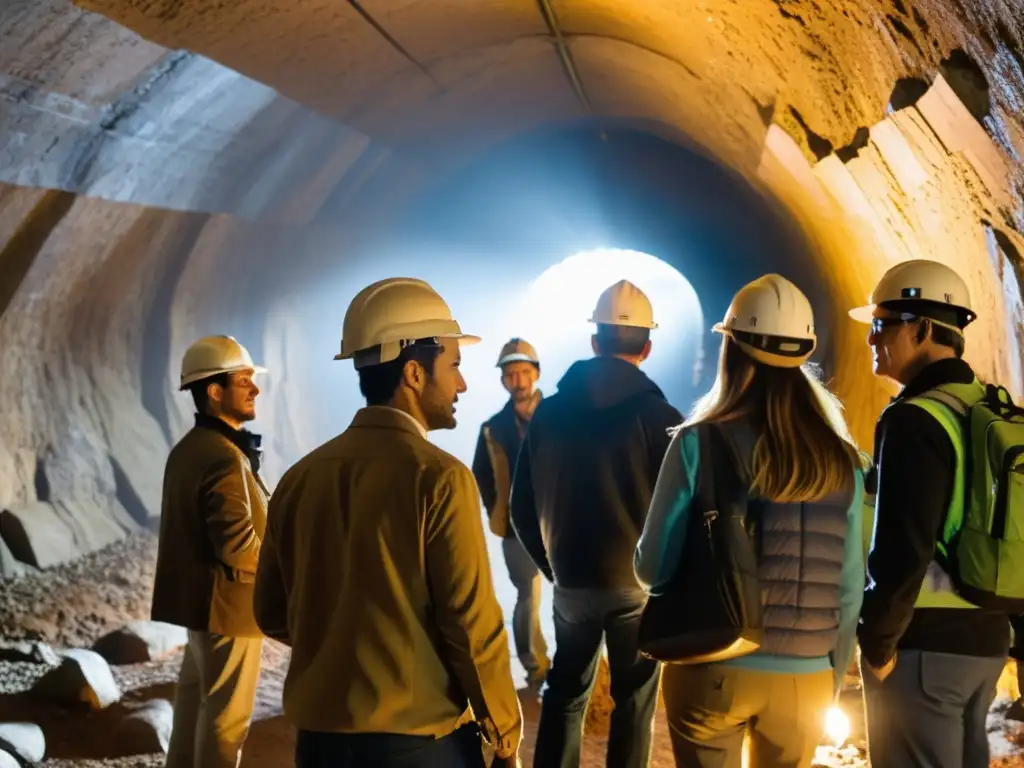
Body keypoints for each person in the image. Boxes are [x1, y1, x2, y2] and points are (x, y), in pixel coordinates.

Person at [253, 277, 523, 768]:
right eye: (455, 366)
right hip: (415, 747)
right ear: (415, 374)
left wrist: (344, 644)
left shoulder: (298, 478)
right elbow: (470, 624)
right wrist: (503, 733)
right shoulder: (439, 478)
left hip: (319, 747)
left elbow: (271, 610)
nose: (462, 384)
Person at [634, 274, 867, 768]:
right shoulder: (844, 461)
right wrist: (830, 674)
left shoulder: (699, 442)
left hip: (712, 664)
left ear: (731, 349)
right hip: (806, 679)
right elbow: (849, 587)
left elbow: (652, 569)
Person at [510, 279, 683, 768]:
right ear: (647, 347)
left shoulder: (549, 414)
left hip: (571, 582)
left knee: (565, 692)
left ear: (593, 342)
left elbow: (521, 505)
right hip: (637, 585)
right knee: (635, 699)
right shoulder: (660, 417)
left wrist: (553, 567)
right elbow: (679, 507)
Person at [849, 259, 1010, 768]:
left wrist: (876, 643)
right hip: (988, 639)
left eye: (881, 325)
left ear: (920, 329)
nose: (873, 339)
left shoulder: (914, 418)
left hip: (924, 646)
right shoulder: (990, 409)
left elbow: (902, 547)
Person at [153, 335, 269, 768]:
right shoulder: (224, 457)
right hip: (231, 611)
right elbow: (238, 548)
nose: (255, 389)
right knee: (227, 723)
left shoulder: (189, 450)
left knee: (193, 711)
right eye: (244, 381)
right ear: (215, 392)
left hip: (200, 610)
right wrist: (287, 568)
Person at [472, 338, 551, 690]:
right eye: (511, 374)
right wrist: (499, 511)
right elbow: (482, 475)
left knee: (573, 598)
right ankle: (537, 671)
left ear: (535, 374)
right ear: (503, 380)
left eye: (523, 372)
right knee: (528, 596)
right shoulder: (492, 429)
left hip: (561, 521)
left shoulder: (562, 416)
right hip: (517, 528)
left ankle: (568, 670)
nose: (518, 380)